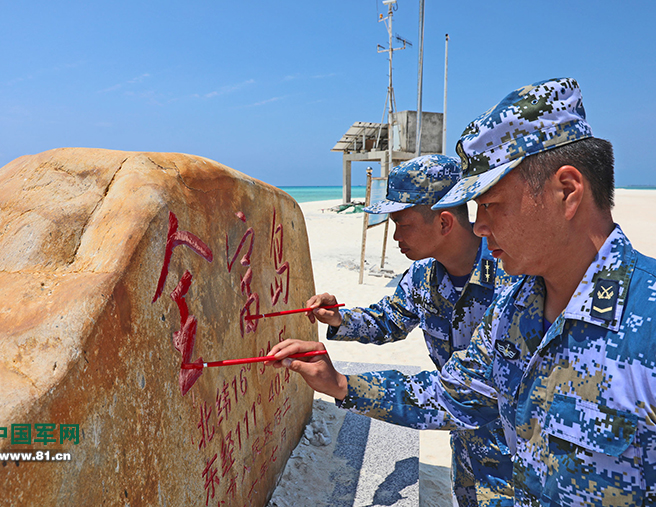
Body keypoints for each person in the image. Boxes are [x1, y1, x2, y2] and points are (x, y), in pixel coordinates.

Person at [269, 77, 656, 506]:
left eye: (491, 204)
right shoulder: (515, 308)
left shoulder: (646, 320)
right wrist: (340, 383)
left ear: (566, 192)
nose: (481, 225)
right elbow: (452, 396)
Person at [306, 154, 516, 507]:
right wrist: (340, 319)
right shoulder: (423, 276)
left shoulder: (511, 277)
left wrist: (342, 384)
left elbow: (467, 390)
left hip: (514, 461)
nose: (395, 236)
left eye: (402, 224)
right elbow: (389, 318)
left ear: (444, 222)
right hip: (465, 448)